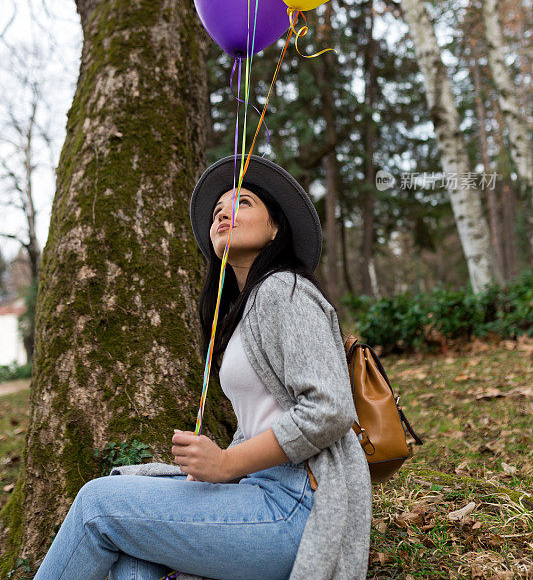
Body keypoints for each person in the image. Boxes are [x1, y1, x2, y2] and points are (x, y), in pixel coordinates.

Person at [33, 154, 372, 580]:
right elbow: (263, 419)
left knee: (97, 505)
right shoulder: (247, 309)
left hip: (299, 509)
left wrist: (228, 464)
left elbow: (331, 409)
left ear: (275, 228)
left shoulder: (286, 290)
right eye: (217, 211)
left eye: (243, 203)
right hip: (258, 495)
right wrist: (219, 473)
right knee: (135, 554)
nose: (224, 213)